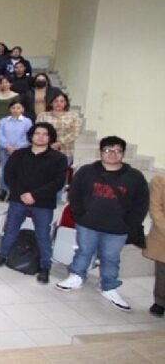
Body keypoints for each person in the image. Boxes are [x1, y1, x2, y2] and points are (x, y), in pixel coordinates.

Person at [55, 136, 149, 311]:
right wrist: (80, 215)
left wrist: (129, 223)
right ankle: (77, 276)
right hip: (88, 223)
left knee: (111, 258)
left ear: (123, 153)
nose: (113, 154)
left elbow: (142, 203)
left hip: (117, 228)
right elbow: (74, 194)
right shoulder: (87, 171)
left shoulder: (135, 177)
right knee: (83, 251)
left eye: (118, 151)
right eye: (108, 150)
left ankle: (109, 286)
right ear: (101, 152)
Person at [0, 122, 68, 284]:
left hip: (43, 202)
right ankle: (3, 255)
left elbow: (58, 182)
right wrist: (22, 194)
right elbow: (9, 176)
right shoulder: (19, 154)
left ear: (50, 138)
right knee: (11, 229)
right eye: (37, 133)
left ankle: (45, 266)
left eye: (45, 134)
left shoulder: (59, 158)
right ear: (31, 136)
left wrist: (34, 195)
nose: (40, 137)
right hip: (18, 199)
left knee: (43, 235)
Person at [0, 101, 32, 201]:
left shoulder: (27, 122)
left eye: (18, 108)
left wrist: (17, 148)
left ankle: (14, 191)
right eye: (13, 108)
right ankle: (3, 190)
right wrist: (8, 146)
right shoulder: (4, 121)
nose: (15, 110)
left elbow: (28, 136)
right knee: (5, 170)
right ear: (10, 109)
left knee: (18, 171)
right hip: (5, 150)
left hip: (21, 151)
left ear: (23, 109)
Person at [36, 92, 81, 166]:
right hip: (45, 150)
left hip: (66, 151)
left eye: (62, 101)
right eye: (56, 101)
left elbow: (75, 133)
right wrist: (49, 144)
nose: (58, 103)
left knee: (61, 172)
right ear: (51, 103)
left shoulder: (73, 116)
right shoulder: (42, 116)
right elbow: (38, 131)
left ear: (66, 103)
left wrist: (59, 143)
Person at [144, 175, 165, 317]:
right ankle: (160, 302)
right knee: (162, 271)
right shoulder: (160, 180)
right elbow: (155, 208)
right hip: (163, 235)